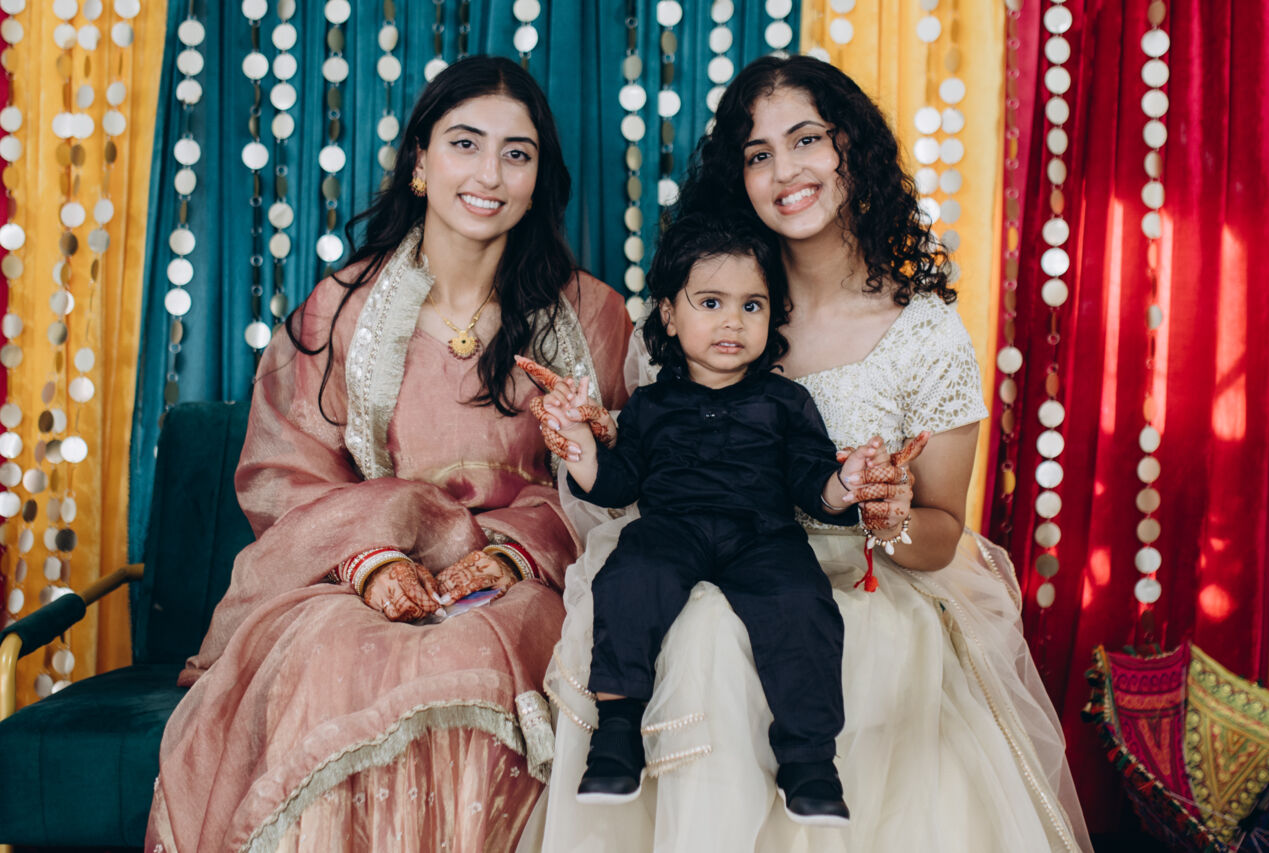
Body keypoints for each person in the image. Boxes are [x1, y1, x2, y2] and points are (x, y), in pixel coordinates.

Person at [524, 55, 1092, 852]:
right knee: (689, 623)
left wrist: (887, 513)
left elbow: (939, 534)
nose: (786, 170)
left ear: (851, 146)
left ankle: (810, 777)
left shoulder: (924, 334)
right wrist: (597, 436)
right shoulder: (709, 307)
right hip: (693, 558)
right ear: (740, 176)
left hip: (862, 588)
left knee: (746, 631)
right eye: (759, 153)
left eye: (806, 140)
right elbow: (656, 468)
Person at [145, 56, 632, 853]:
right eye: (465, 143)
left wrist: (509, 556)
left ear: (538, 178)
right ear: (419, 161)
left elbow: (620, 481)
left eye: (516, 153)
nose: (489, 173)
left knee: (487, 647)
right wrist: (372, 561)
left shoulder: (594, 317)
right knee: (335, 650)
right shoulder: (341, 309)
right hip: (358, 579)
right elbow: (285, 470)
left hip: (528, 580)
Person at [527, 214, 913, 826]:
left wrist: (848, 483)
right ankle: (618, 732)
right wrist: (579, 445)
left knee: (802, 601)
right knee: (628, 579)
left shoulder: (786, 401)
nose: (733, 321)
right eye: (711, 303)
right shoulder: (652, 403)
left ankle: (809, 760)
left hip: (763, 535)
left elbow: (812, 482)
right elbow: (619, 484)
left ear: (772, 316)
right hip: (671, 528)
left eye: (751, 306)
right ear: (670, 315)